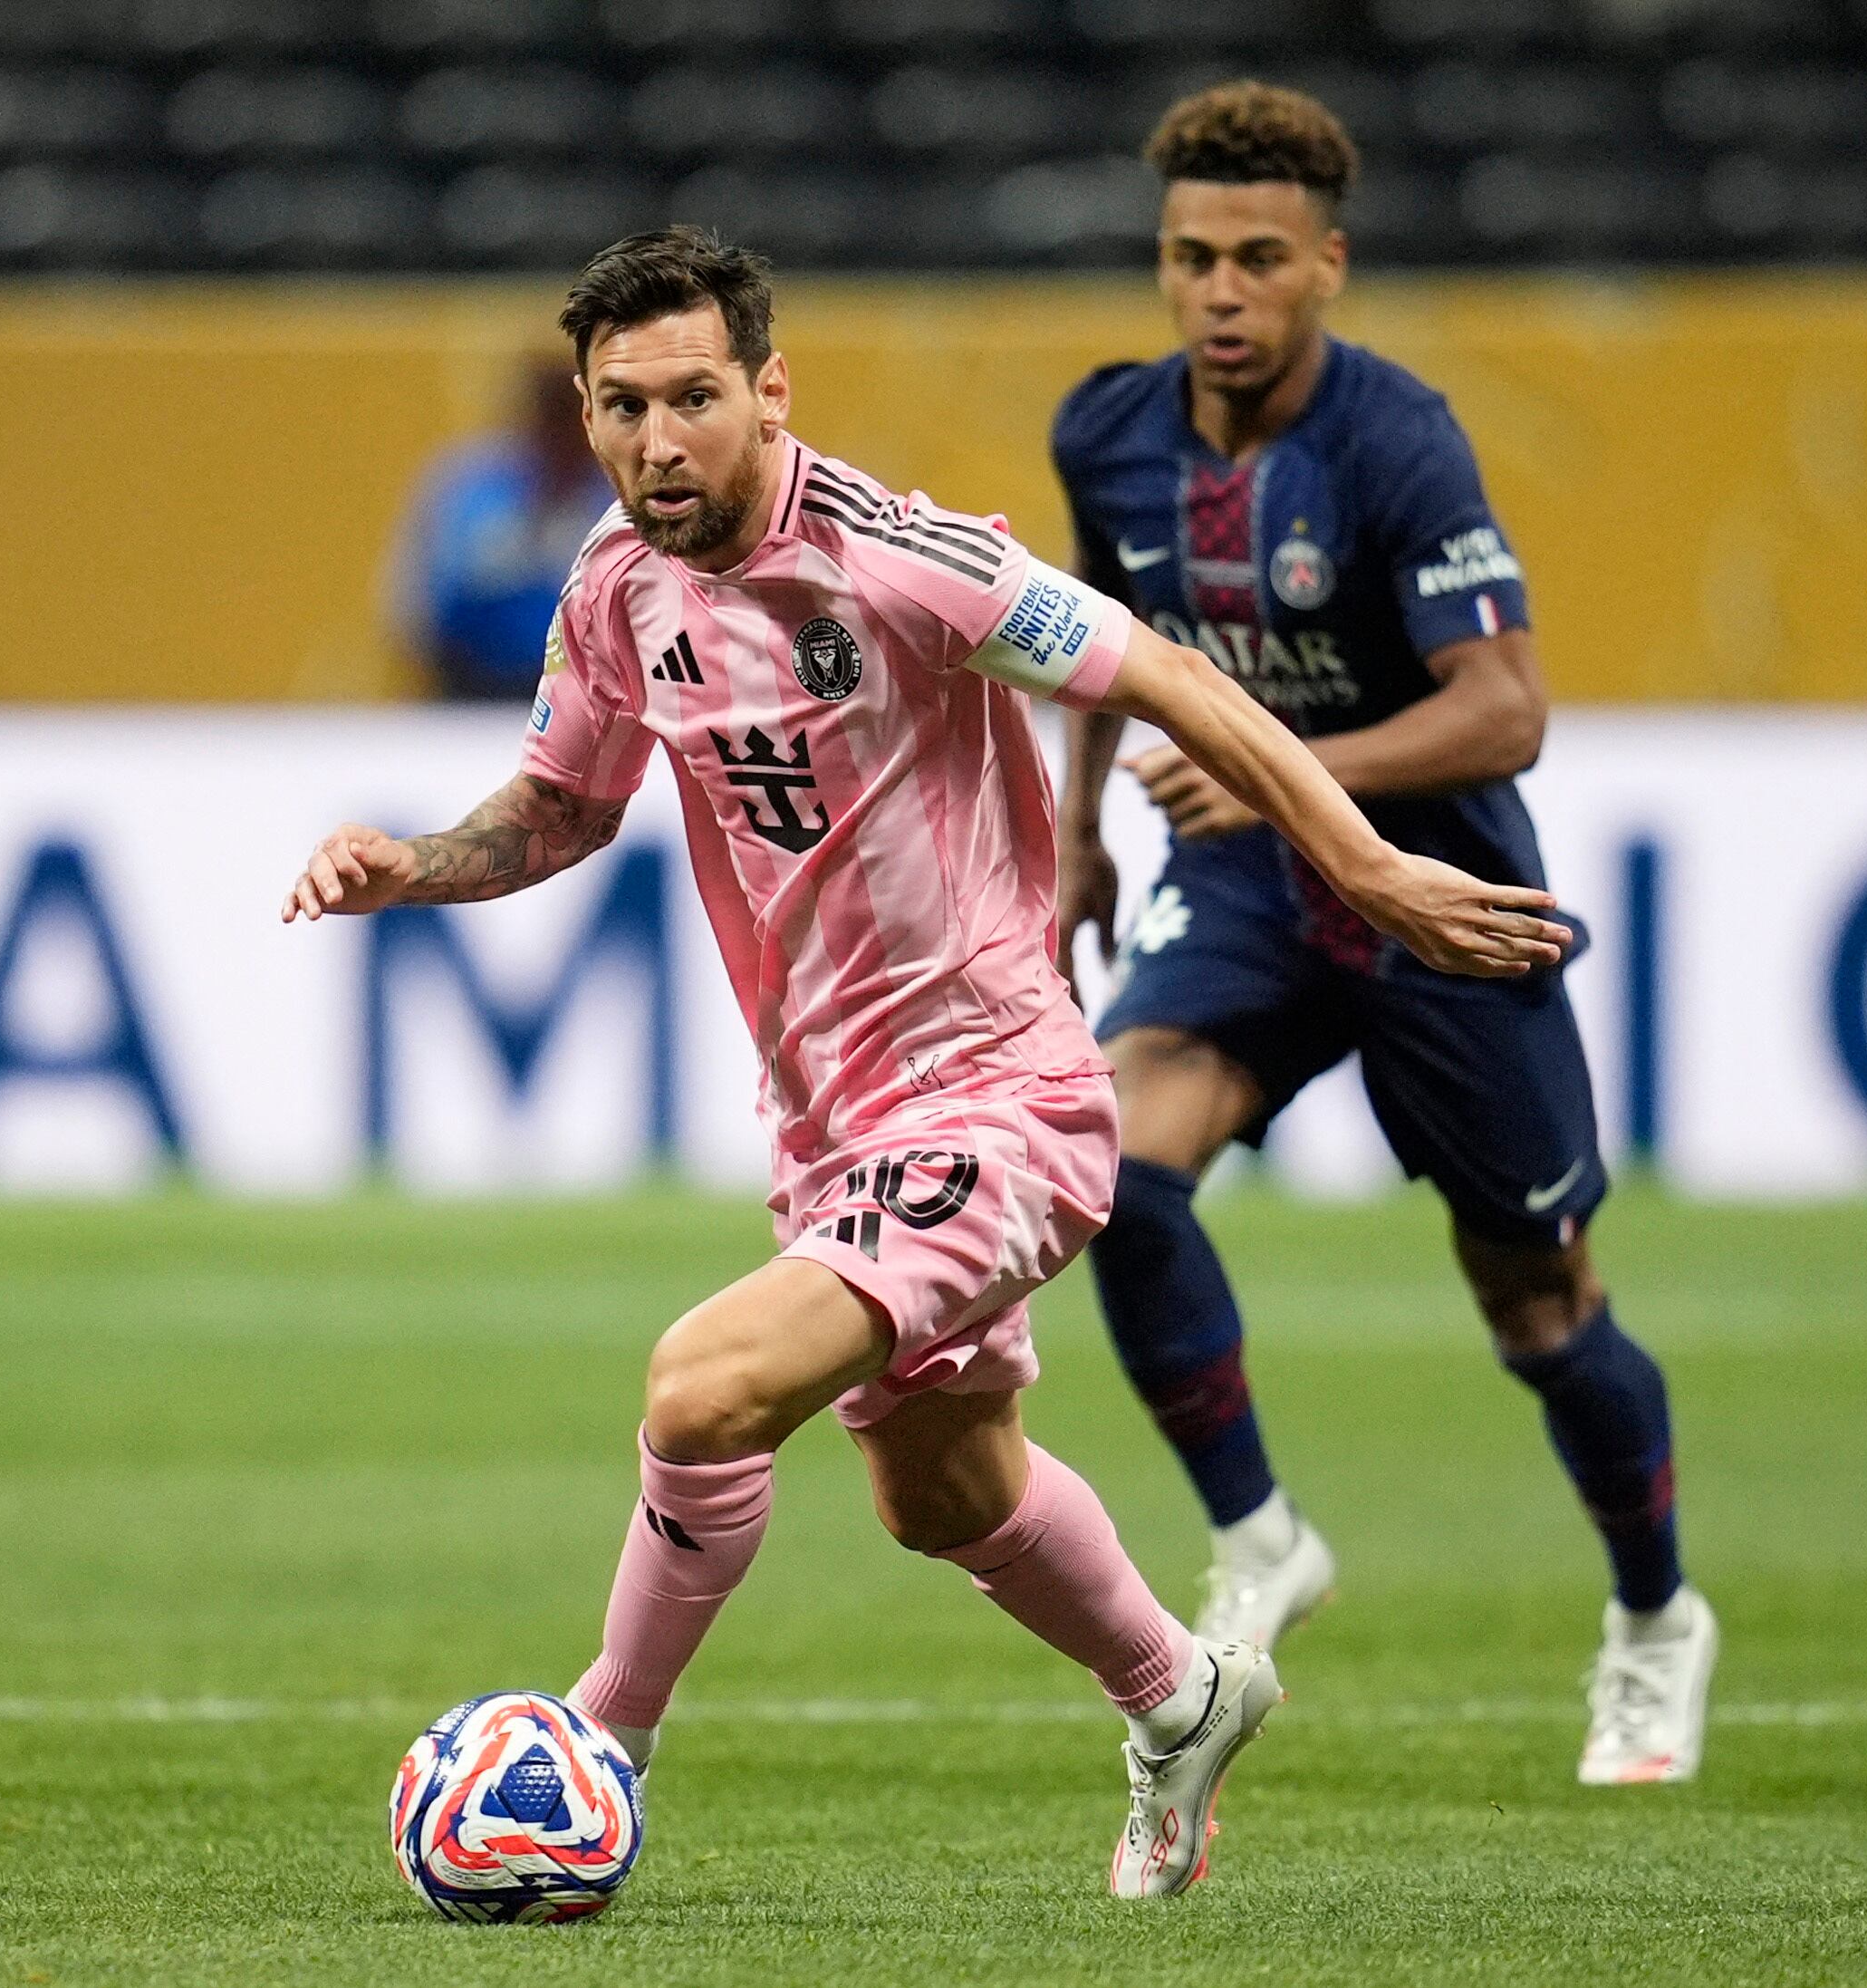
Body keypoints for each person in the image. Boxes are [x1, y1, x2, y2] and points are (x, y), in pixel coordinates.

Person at [284, 227, 1571, 1895]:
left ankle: (598, 1736)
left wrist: (1368, 866)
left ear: (768, 389)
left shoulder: (901, 557)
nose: (657, 441)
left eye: (691, 398)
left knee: (703, 1385)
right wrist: (412, 862)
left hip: (1001, 1094)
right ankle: (1179, 1693)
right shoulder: (613, 584)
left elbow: (1172, 675)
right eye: (622, 407)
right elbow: (558, 806)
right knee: (941, 1488)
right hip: (831, 1119)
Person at [1049, 82, 1717, 1786]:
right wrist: (1070, 840)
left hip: (1441, 906)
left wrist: (1278, 775)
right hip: (1254, 901)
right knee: (1111, 1169)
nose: (1218, 289)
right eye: (1191, 255)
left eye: (1257, 258)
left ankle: (1652, 1619)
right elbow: (1094, 641)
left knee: (1541, 1311)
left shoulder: (1396, 441)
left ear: (1325, 266)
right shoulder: (1107, 433)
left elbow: (1504, 711)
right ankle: (1260, 1532)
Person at [382, 351, 610, 701]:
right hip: (468, 693)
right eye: (551, 419)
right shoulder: (469, 488)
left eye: (572, 421)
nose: (561, 438)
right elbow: (415, 607)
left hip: (585, 697)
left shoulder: (614, 499)